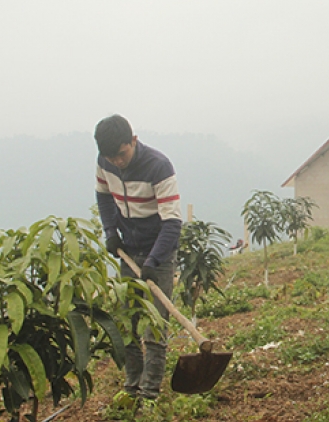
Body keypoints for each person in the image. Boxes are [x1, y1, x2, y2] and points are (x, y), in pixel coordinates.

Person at [94, 114, 182, 404]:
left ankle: (150, 393)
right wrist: (110, 231)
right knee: (128, 320)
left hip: (159, 251)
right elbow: (104, 196)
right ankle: (133, 385)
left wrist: (153, 262)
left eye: (122, 154)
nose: (118, 162)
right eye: (111, 157)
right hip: (128, 250)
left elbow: (172, 222)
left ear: (133, 141)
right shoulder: (104, 161)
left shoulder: (159, 166)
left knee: (155, 325)